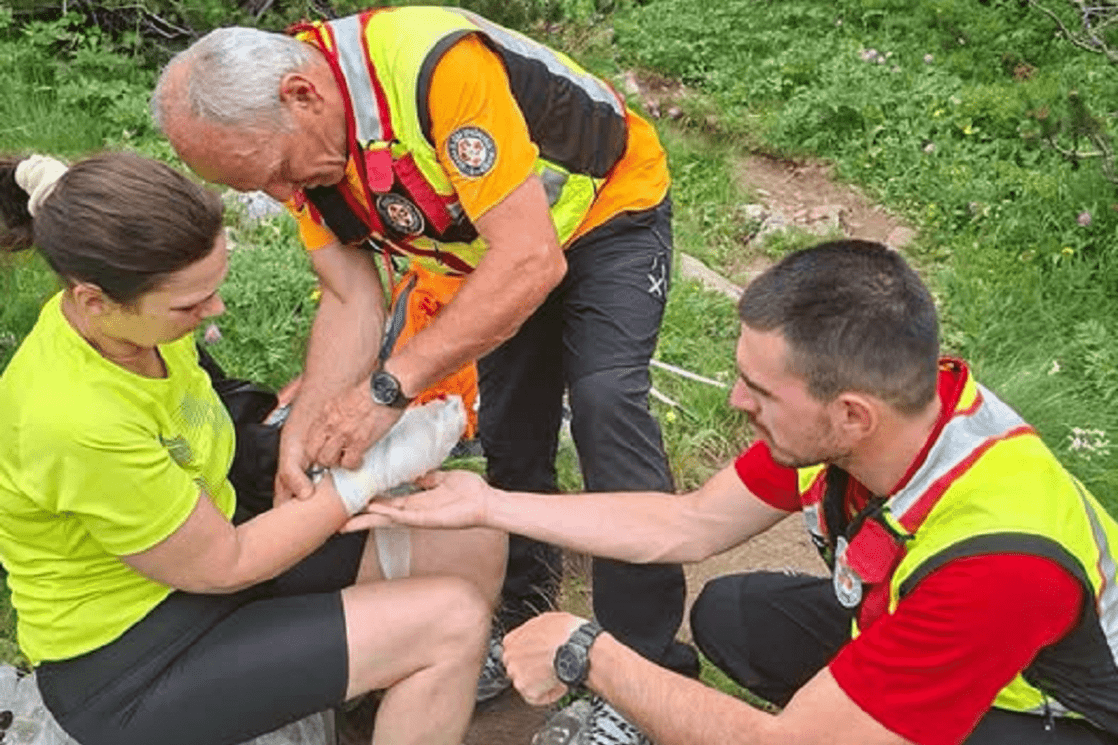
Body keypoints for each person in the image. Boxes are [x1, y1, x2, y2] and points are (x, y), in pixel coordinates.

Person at [149, 5, 697, 731]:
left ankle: (642, 668)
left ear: (300, 95)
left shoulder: (435, 68)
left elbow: (531, 258)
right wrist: (303, 424)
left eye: (277, 172)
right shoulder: (306, 143)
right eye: (262, 188)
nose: (284, 196)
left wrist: (388, 385)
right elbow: (349, 293)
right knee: (511, 429)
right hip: (490, 258)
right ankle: (524, 619)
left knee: (603, 403)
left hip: (608, 214)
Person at [357, 240, 1118, 745]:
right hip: (956, 632)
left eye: (757, 387)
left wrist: (588, 651)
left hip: (1055, 712)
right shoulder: (888, 422)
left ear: (851, 414)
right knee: (734, 615)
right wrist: (487, 503)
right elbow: (686, 524)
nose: (733, 400)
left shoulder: (999, 560)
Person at [0, 152, 505, 745]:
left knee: (469, 535)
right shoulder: (72, 417)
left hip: (209, 570)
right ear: (94, 301)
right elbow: (226, 564)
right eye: (190, 305)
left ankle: (383, 706)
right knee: (452, 623)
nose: (214, 311)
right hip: (135, 660)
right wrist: (368, 477)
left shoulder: (130, 329)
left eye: (213, 287)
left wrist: (308, 427)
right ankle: (406, 671)